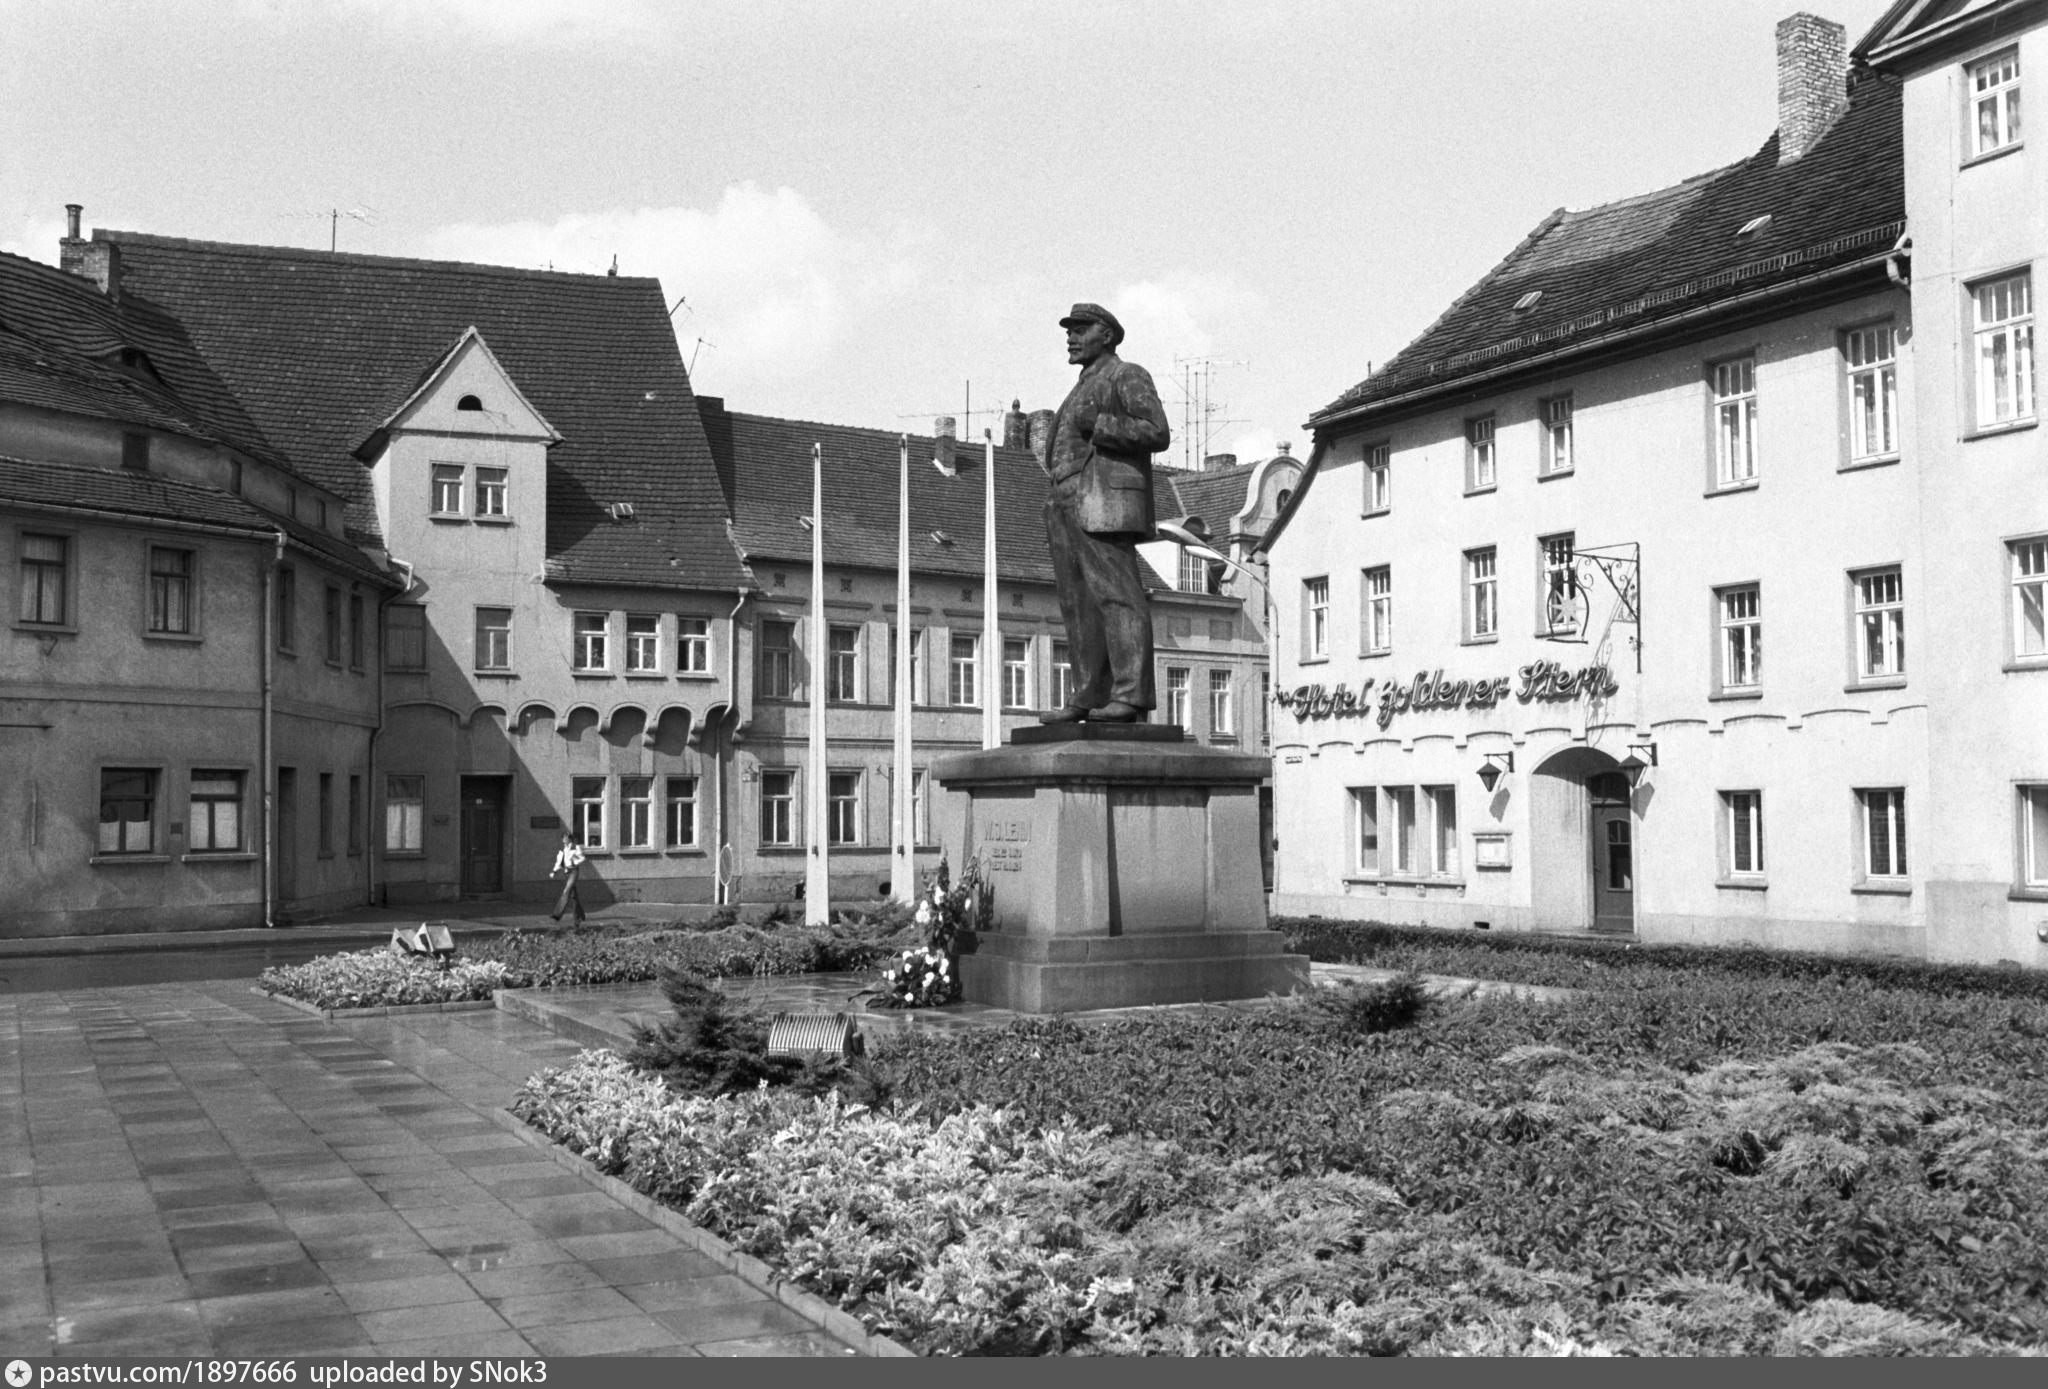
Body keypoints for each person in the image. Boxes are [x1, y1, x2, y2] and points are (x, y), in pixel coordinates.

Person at [1038, 303, 1172, 724]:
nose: (1071, 337)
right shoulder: (1081, 385)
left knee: (1118, 596)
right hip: (1066, 501)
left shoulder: (1126, 374)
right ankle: (1089, 694)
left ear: (1107, 335)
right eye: (1069, 331)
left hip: (1102, 499)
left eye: (1081, 330)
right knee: (1078, 604)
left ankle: (1130, 695)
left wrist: (1100, 424)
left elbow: (1157, 431)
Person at [549, 831, 586, 925]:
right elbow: (559, 862)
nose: (564, 839)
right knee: (573, 896)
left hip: (574, 871)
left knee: (566, 891)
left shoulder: (575, 847)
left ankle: (557, 914)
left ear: (570, 839)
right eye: (563, 837)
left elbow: (582, 858)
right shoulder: (563, 849)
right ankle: (580, 916)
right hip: (566, 872)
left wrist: (575, 862)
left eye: (566, 837)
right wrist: (554, 871)